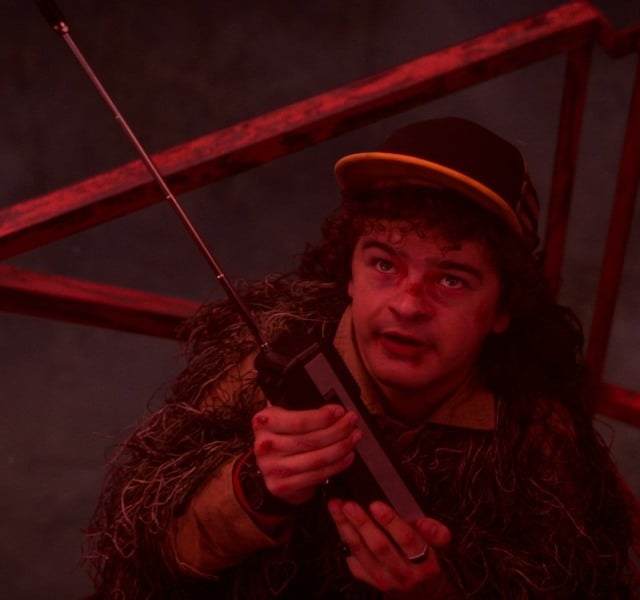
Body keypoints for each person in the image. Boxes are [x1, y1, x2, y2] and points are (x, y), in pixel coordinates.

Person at [84, 117, 639, 598]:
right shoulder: (256, 363)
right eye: (384, 265)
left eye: (451, 279)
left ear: (503, 307)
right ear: (348, 272)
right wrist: (257, 488)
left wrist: (443, 593)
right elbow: (141, 557)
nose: (408, 305)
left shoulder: (538, 432)